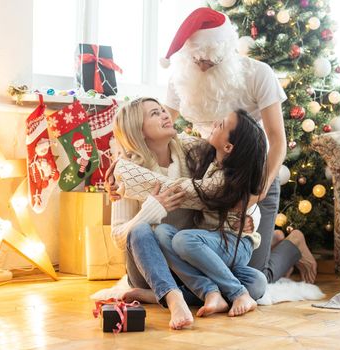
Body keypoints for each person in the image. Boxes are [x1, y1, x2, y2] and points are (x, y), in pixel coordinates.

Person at [159, 7, 317, 283]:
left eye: (211, 62)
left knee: (255, 277)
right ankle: (270, 241)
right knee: (211, 265)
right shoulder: (180, 77)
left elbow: (278, 140)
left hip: (256, 174)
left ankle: (292, 243)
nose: (204, 67)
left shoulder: (258, 74)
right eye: (197, 61)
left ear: (226, 52)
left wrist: (258, 192)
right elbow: (160, 130)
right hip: (208, 179)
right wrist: (126, 158)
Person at [114, 109, 269, 317]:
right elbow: (118, 238)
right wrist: (124, 173)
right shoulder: (129, 172)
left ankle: (182, 293)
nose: (166, 114)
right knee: (160, 233)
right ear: (138, 130)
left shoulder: (190, 152)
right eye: (154, 113)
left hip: (204, 248)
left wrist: (252, 215)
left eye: (162, 109)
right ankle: (211, 292)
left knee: (256, 281)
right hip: (160, 257)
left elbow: (240, 185)